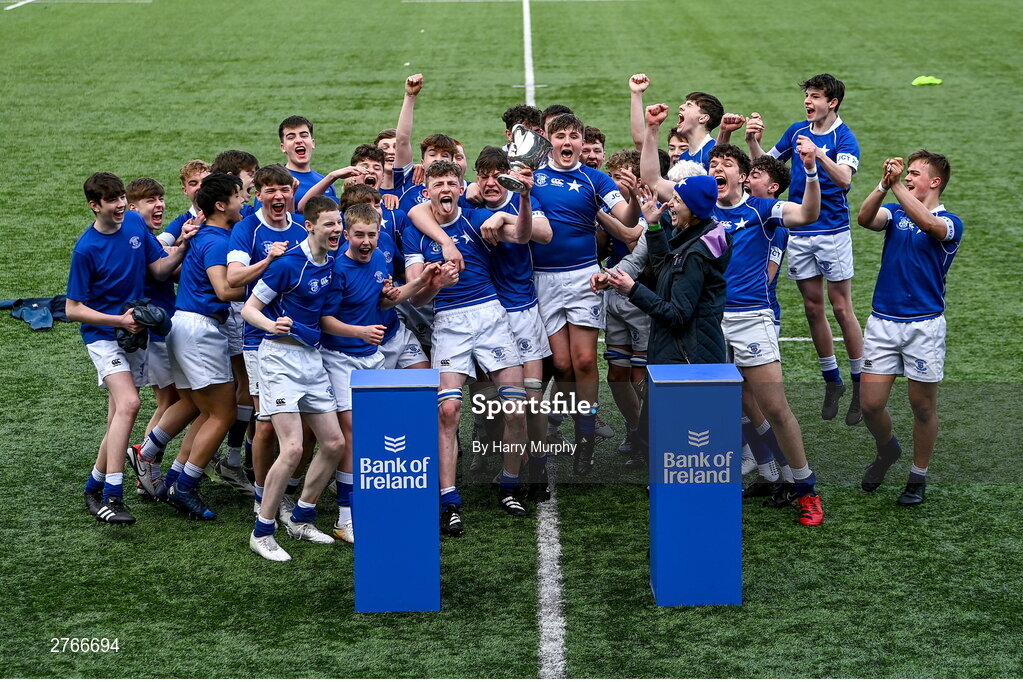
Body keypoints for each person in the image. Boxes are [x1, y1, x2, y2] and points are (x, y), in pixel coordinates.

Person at [405, 160, 537, 535]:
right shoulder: (416, 232)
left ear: (461, 189)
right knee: (448, 411)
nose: (445, 189)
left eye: (452, 182)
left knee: (515, 409)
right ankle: (450, 500)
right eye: (438, 183)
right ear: (427, 190)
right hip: (449, 321)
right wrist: (437, 282)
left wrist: (524, 199)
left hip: (491, 315)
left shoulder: (478, 219)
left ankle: (508, 483)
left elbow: (525, 235)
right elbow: (417, 297)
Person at [67, 172, 193, 524]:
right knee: (131, 403)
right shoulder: (86, 248)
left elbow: (159, 268)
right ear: (95, 206)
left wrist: (182, 245)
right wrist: (119, 321)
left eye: (122, 197)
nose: (121, 204)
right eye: (112, 200)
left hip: (133, 334)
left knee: (117, 416)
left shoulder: (136, 224)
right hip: (103, 336)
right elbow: (72, 308)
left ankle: (93, 485)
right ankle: (113, 494)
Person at [745, 74, 865, 425]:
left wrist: (818, 155)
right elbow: (765, 170)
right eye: (807, 96)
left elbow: (844, 179)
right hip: (798, 230)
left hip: (832, 232)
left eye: (815, 97)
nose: (808, 102)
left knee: (841, 308)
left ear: (833, 102)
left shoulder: (845, 138)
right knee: (813, 308)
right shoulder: (797, 130)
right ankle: (833, 380)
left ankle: (859, 385)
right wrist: (754, 141)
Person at [530, 112, 641, 475]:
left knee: (584, 362)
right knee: (560, 364)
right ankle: (569, 424)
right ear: (548, 140)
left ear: (581, 141)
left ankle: (585, 440)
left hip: (583, 278)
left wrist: (635, 198)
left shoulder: (595, 178)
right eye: (560, 135)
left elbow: (627, 219)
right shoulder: (533, 175)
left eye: (573, 136)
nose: (567, 142)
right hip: (542, 279)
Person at [320, 202, 438, 543]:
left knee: (375, 431)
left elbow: (384, 302)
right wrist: (360, 332)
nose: (366, 241)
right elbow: (325, 320)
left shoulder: (380, 258)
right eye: (359, 235)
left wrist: (420, 283)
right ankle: (345, 517)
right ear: (346, 234)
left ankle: (373, 500)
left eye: (371, 234)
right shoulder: (336, 268)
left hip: (370, 357)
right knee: (352, 432)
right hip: (341, 358)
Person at [241, 195, 345, 561]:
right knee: (294, 448)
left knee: (333, 444)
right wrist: (272, 324)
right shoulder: (287, 265)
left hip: (311, 360)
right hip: (280, 359)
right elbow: (249, 309)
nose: (337, 229)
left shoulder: (331, 261)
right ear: (310, 226)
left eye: (339, 223)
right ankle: (263, 530)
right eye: (330, 224)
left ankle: (301, 517)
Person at [855, 151, 963, 506]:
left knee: (922, 407)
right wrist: (883, 185)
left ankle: (918, 476)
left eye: (916, 173)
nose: (909, 176)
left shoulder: (951, 223)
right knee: (870, 405)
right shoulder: (897, 212)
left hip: (924, 327)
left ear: (935, 182)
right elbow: (865, 218)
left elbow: (930, 226)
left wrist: (898, 185)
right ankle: (887, 451)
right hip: (883, 322)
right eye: (908, 173)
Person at [603, 175, 730, 464]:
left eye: (679, 201)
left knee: (671, 437)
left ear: (695, 210)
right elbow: (665, 270)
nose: (671, 203)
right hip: (682, 352)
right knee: (656, 434)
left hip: (685, 357)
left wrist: (632, 290)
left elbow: (676, 315)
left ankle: (675, 493)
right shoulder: (696, 237)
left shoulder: (696, 255)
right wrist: (656, 227)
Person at [163, 173, 248, 520]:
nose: (244, 201)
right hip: (200, 330)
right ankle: (185, 487)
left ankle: (174, 479)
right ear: (221, 204)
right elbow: (226, 290)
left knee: (208, 413)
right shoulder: (215, 241)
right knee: (224, 413)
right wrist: (269, 281)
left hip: (186, 326)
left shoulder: (211, 235)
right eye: (240, 196)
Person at [226, 164, 310, 505]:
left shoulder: (304, 228)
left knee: (305, 422)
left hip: (302, 339)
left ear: (292, 191)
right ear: (258, 194)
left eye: (284, 189)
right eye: (270, 190)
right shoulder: (248, 229)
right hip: (260, 339)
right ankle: (263, 497)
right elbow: (234, 279)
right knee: (265, 425)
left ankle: (287, 489)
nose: (278, 196)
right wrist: (269, 261)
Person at [125, 178, 180, 497]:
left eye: (160, 198)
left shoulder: (140, 236)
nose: (158, 204)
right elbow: (165, 273)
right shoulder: (141, 239)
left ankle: (146, 473)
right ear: (132, 208)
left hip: (161, 328)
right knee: (171, 402)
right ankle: (146, 464)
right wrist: (184, 248)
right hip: (156, 331)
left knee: (169, 401)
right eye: (149, 200)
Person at [278, 115, 335, 208]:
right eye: (291, 137)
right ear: (283, 147)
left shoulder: (326, 182)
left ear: (313, 143)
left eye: (304, 135)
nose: (299, 140)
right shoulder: (273, 182)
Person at [160, 160, 209, 246]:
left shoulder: (232, 213)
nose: (200, 186)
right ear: (185, 190)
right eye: (193, 184)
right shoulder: (183, 222)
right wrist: (181, 241)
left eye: (206, 182)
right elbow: (157, 245)